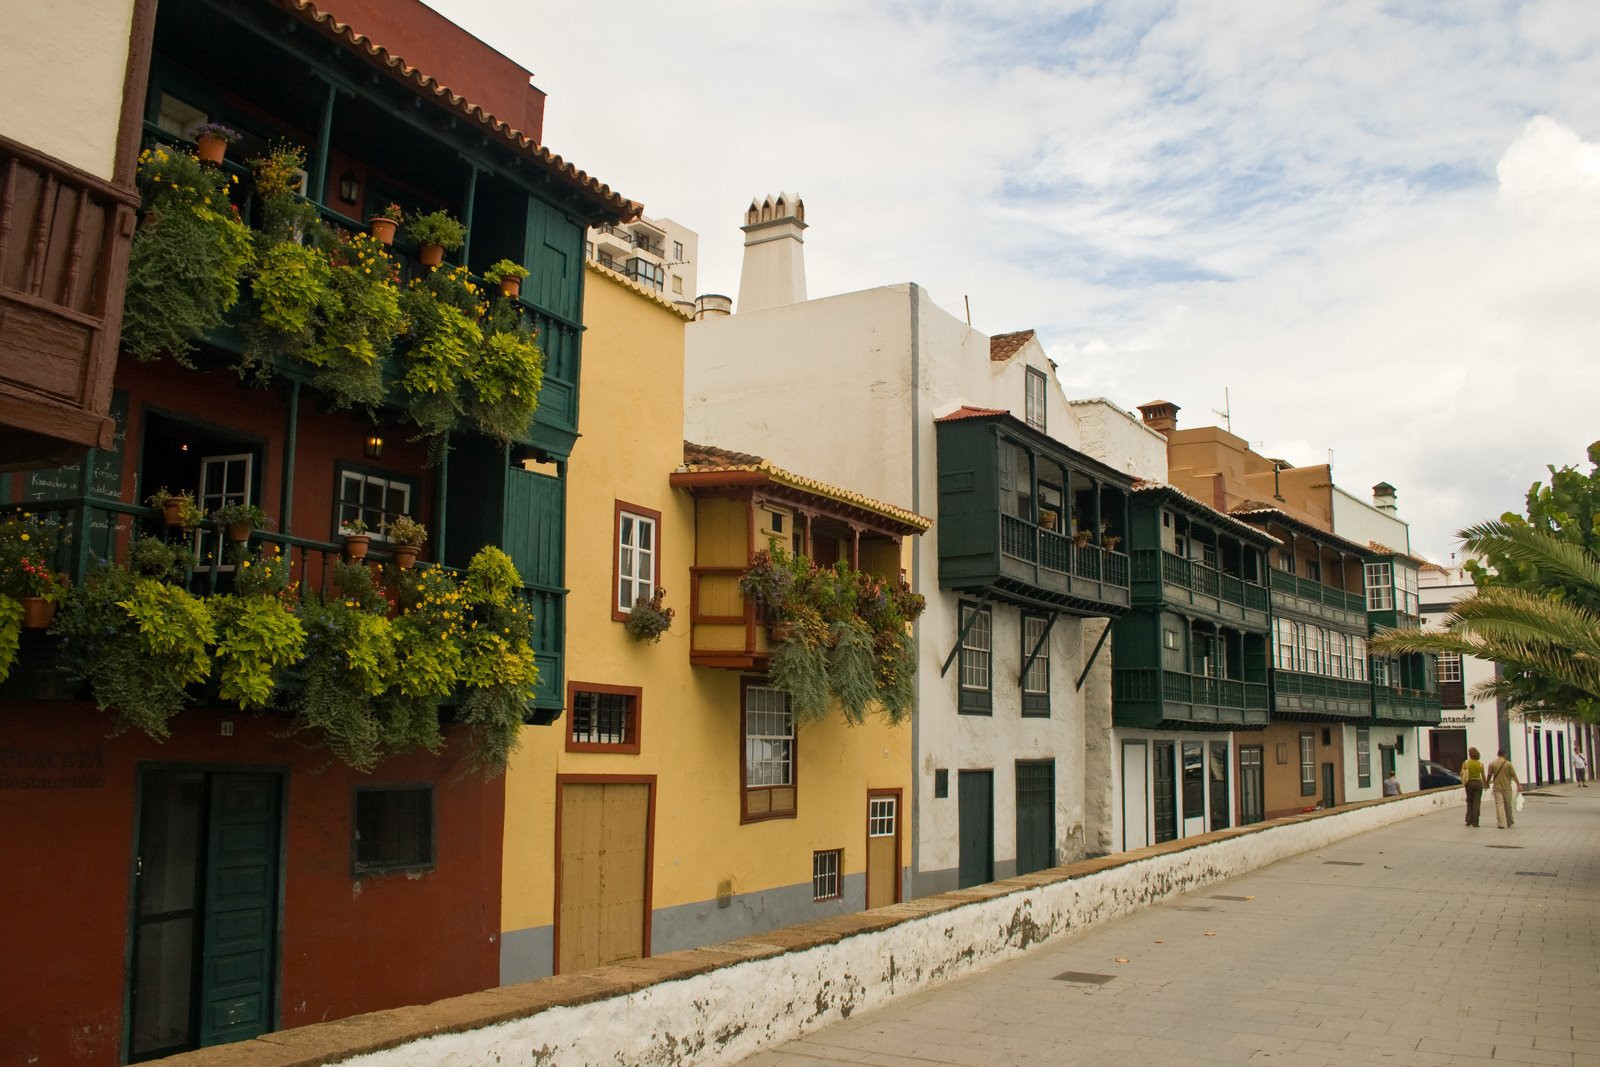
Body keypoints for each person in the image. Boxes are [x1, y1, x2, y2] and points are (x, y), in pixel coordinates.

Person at [1486, 749, 1521, 829]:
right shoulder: (1508, 764)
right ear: (1504, 754)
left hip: (1497, 787)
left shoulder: (1492, 764)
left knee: (1499, 805)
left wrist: (1486, 783)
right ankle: (1509, 821)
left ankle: (1501, 823)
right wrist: (1518, 784)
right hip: (1507, 787)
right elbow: (1513, 775)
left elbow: (1489, 775)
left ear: (1498, 754)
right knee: (1508, 805)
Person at [1460, 747, 1487, 827]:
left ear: (1470, 754)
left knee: (1469, 801)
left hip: (1469, 783)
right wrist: (1485, 784)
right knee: (1477, 802)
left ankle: (1468, 820)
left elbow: (1462, 773)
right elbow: (1483, 776)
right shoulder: (1480, 764)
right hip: (1478, 783)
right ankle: (1475, 822)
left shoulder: (1466, 763)